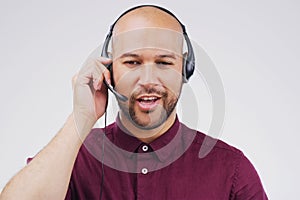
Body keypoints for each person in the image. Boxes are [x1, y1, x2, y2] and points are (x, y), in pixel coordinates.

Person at [0, 5, 268, 200]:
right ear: (110, 69)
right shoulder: (73, 158)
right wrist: (81, 117)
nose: (148, 79)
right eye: (132, 62)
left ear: (185, 68)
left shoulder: (230, 169)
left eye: (164, 62)